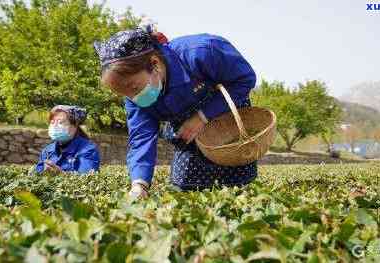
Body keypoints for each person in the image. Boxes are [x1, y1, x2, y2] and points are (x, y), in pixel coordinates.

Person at [94, 25, 257, 198]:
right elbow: (141, 137)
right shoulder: (134, 97)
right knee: (185, 189)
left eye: (134, 88)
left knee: (239, 189)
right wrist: (139, 184)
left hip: (227, 124)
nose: (133, 98)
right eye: (125, 94)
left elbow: (244, 80)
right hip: (188, 135)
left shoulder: (202, 51)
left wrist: (202, 116)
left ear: (155, 64)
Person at [35, 105, 101, 174]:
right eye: (52, 122)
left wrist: (61, 174)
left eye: (60, 122)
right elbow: (37, 174)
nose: (55, 126)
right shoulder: (47, 150)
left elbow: (87, 178)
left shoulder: (88, 149)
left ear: (75, 126)